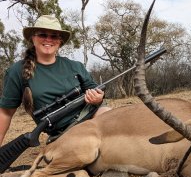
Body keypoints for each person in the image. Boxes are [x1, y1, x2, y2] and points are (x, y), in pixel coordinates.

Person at [0, 15, 110, 146]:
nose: (48, 40)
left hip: (91, 115)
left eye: (54, 36)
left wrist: (98, 97)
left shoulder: (75, 66)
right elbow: (5, 113)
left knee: (112, 118)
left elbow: (96, 91)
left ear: (60, 41)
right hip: (63, 132)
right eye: (42, 35)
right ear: (33, 38)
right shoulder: (17, 71)